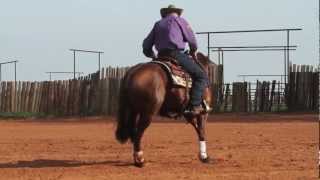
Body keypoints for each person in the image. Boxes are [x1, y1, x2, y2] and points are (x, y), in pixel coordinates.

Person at [142, 4, 208, 115]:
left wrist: (152, 55)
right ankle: (194, 105)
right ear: (177, 12)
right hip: (176, 54)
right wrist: (193, 50)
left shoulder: (158, 24)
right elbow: (192, 40)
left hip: (160, 56)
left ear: (165, 13)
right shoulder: (180, 21)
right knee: (201, 76)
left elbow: (146, 45)